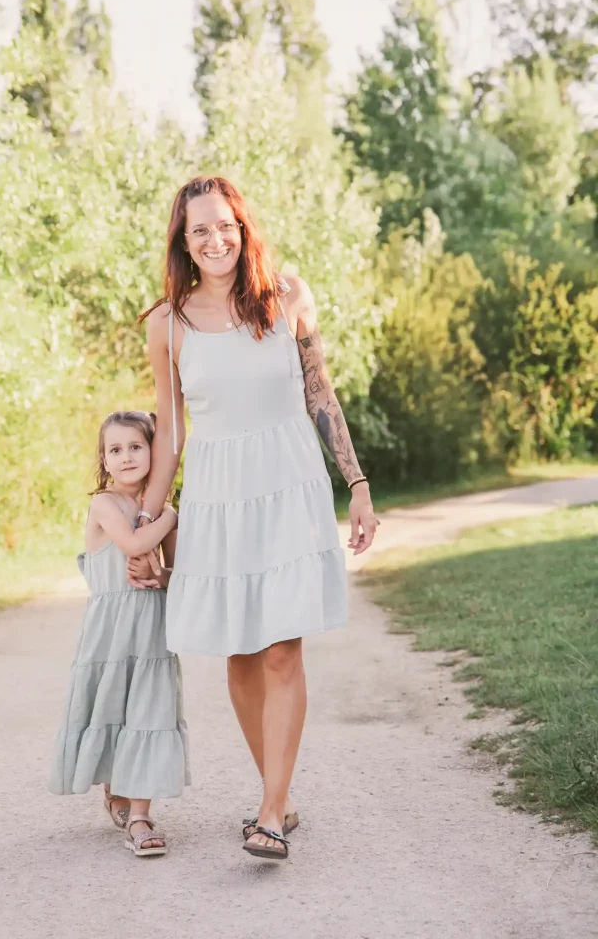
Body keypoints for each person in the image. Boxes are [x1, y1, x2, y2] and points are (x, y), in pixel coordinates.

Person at [131, 176, 379, 862]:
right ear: (183, 242)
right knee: (239, 651)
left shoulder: (288, 297)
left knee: (280, 647)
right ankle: (280, 792)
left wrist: (356, 485)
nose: (215, 240)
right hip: (217, 494)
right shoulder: (167, 324)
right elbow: (171, 434)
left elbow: (320, 393)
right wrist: (145, 527)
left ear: (243, 228)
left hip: (289, 484)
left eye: (225, 225)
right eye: (199, 230)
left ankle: (270, 810)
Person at [49, 410, 190, 858]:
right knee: (113, 710)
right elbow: (131, 545)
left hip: (151, 631)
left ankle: (142, 815)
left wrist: (163, 567)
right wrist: (169, 517)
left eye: (135, 446)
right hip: (110, 633)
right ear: (104, 460)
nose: (126, 456)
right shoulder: (105, 505)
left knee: (149, 712)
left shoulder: (160, 511)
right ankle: (117, 788)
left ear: (154, 452)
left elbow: (177, 575)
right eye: (115, 450)